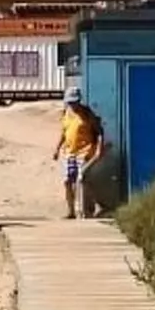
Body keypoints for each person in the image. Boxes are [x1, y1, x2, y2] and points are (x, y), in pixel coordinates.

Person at [52, 86, 105, 219]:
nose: (73, 105)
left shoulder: (87, 114)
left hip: (85, 151)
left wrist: (99, 148)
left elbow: (99, 131)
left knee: (81, 179)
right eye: (70, 102)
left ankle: (86, 211)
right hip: (69, 152)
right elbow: (64, 132)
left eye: (74, 102)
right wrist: (57, 149)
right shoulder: (66, 113)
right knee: (67, 181)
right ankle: (71, 211)